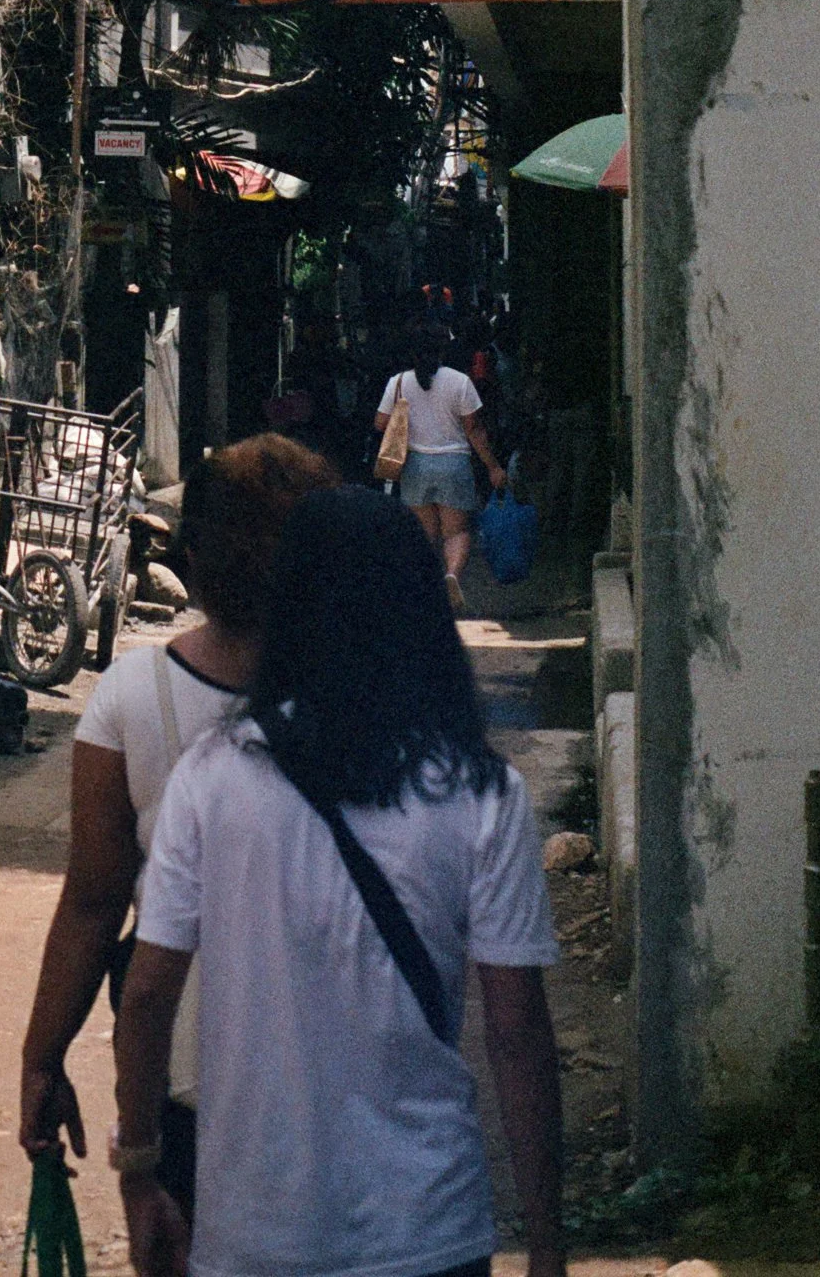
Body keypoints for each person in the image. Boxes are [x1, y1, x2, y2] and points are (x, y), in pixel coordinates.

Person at [116, 489, 564, 1277]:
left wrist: (141, 1170)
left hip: (252, 1230)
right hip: (428, 1228)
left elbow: (147, 995)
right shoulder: (482, 793)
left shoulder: (211, 779)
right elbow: (516, 1032)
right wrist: (547, 1245)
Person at [18, 434, 335, 1226]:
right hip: (340, 1076)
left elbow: (93, 905)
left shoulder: (132, 697)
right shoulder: (361, 700)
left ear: (191, 561)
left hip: (188, 1074)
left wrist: (41, 1059)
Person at [376, 322, 505, 609]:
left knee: (424, 535)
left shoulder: (398, 383)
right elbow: (475, 430)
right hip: (454, 466)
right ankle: (452, 575)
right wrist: (493, 467)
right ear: (442, 349)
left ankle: (426, 590)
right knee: (456, 532)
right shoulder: (460, 382)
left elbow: (380, 423)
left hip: (414, 467)